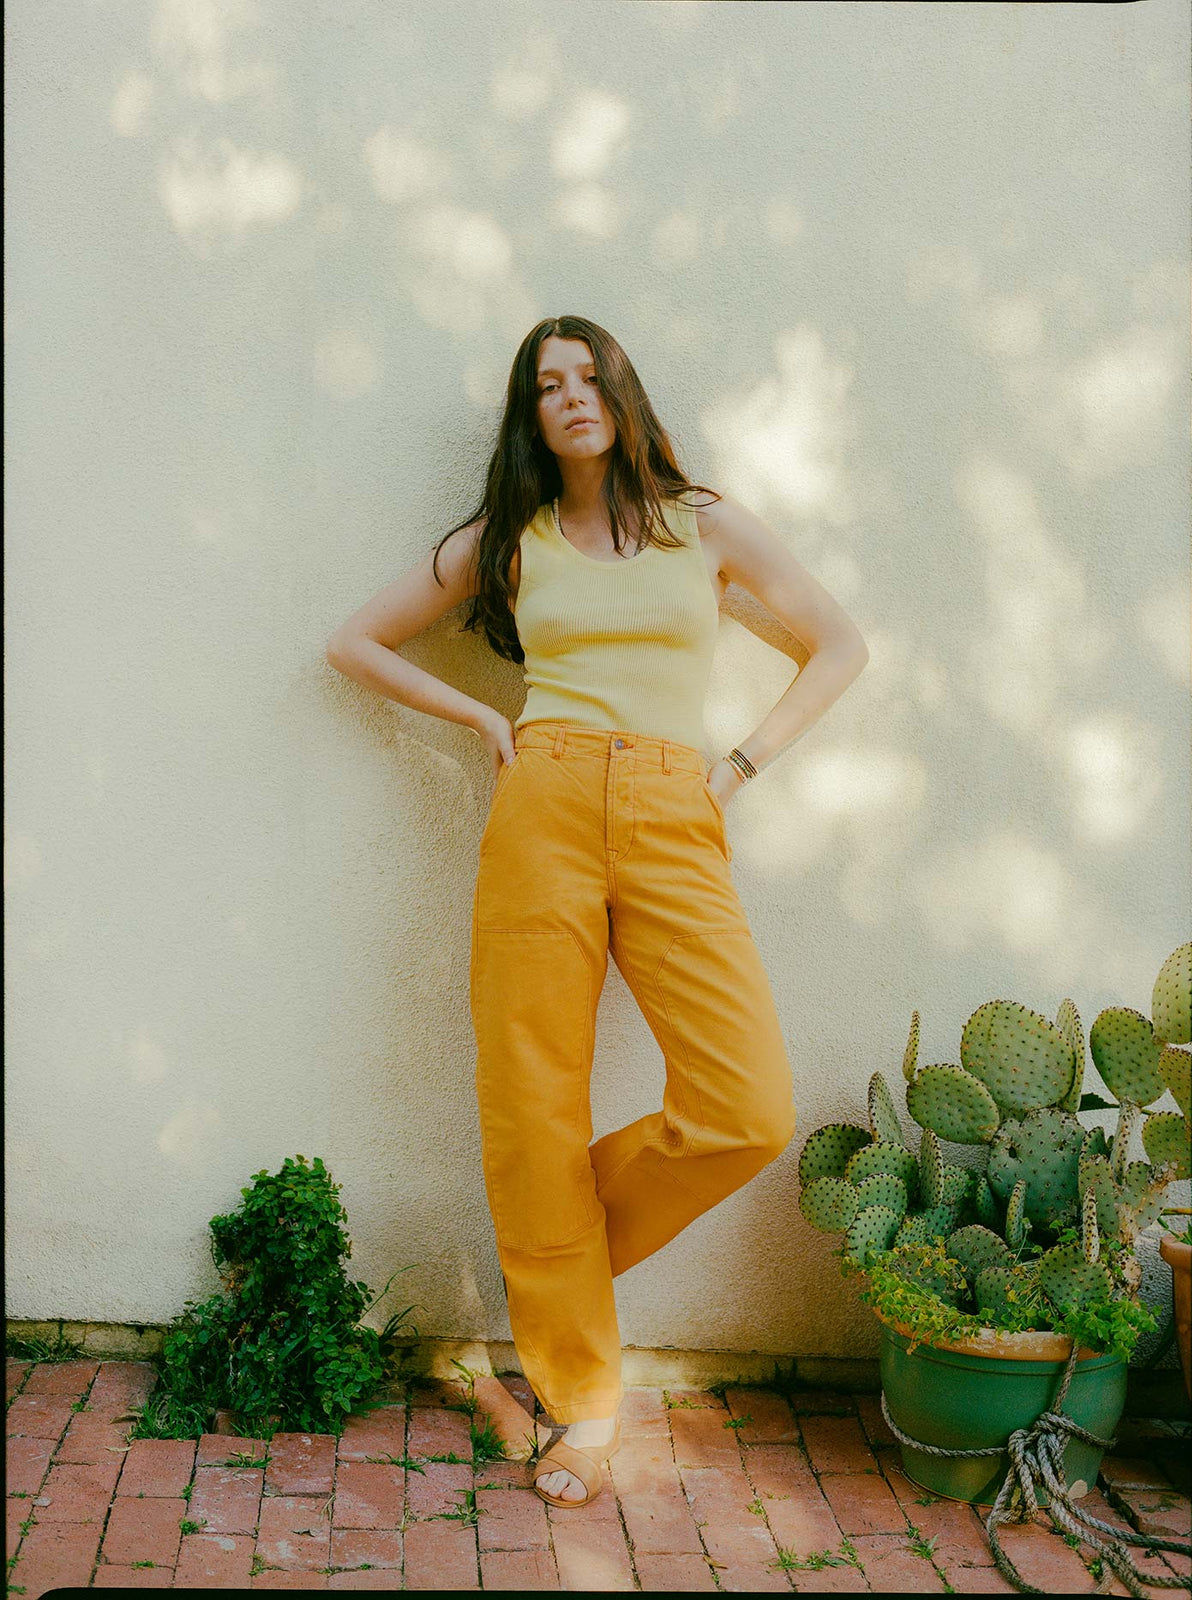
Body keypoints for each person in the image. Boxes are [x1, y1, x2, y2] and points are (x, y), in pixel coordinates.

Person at [326, 314, 869, 1509]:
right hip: (546, 798)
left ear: (622, 393)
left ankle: (550, 1266)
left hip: (678, 803)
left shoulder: (701, 522)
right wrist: (485, 718)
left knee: (745, 1105)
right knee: (532, 1102)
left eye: (589, 376)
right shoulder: (506, 539)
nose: (572, 396)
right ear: (530, 416)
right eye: (547, 385)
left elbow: (838, 644)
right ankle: (582, 1405)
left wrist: (739, 767)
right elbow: (355, 641)